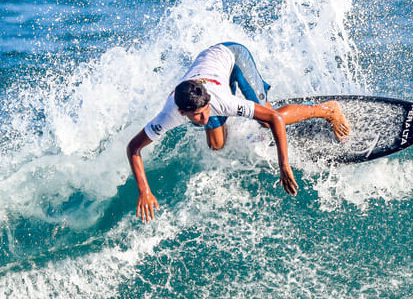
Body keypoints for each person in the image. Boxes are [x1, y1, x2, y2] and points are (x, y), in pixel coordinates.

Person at [126, 42, 350, 221]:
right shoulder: (168, 115)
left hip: (233, 57)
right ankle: (245, 100)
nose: (204, 118)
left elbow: (274, 120)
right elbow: (134, 148)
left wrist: (284, 164)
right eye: (198, 116)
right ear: (183, 112)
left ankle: (327, 109)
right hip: (210, 71)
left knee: (266, 119)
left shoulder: (218, 101)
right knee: (216, 145)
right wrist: (144, 190)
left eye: (206, 111)